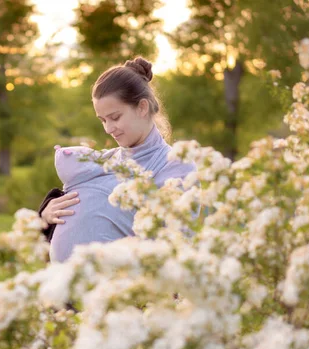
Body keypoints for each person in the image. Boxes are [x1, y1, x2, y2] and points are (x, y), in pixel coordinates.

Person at [39, 57, 196, 262]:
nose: (108, 129)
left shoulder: (175, 166)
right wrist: (45, 217)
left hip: (126, 289)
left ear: (142, 107)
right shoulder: (103, 162)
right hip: (66, 288)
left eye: (115, 117)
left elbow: (175, 246)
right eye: (103, 120)